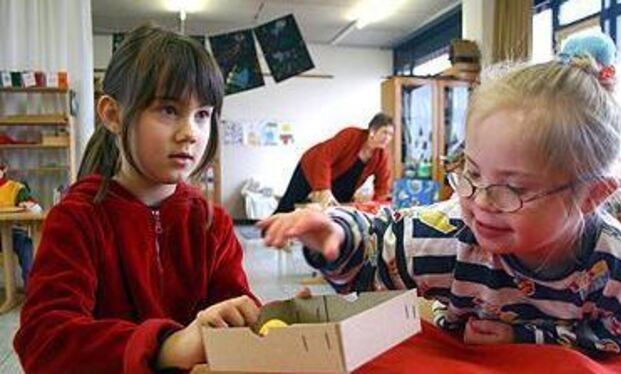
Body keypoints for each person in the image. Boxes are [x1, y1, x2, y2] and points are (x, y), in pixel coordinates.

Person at [259, 51, 621, 355]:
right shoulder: (451, 234)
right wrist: (337, 236)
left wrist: (529, 337)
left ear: (592, 195)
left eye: (513, 188)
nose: (480, 201)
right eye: (473, 172)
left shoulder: (617, 267)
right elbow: (377, 245)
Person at [13, 25, 259, 373]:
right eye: (168, 110)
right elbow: (44, 341)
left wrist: (267, 325)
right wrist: (166, 346)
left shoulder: (211, 223)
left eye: (202, 114)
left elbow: (233, 311)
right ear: (113, 114)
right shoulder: (77, 218)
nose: (190, 132)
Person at [274, 113, 394, 213]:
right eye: (385, 132)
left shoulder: (382, 156)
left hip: (343, 181)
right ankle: (268, 230)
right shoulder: (350, 135)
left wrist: (377, 207)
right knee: (289, 203)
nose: (388, 138)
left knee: (339, 212)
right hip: (313, 166)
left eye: (390, 134)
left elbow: (382, 186)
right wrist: (323, 189)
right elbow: (324, 158)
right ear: (372, 131)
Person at [0, 157, 42, 287]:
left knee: (27, 247)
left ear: (4, 169)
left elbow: (37, 208)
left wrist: (29, 206)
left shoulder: (16, 188)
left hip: (14, 233)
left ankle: (31, 292)